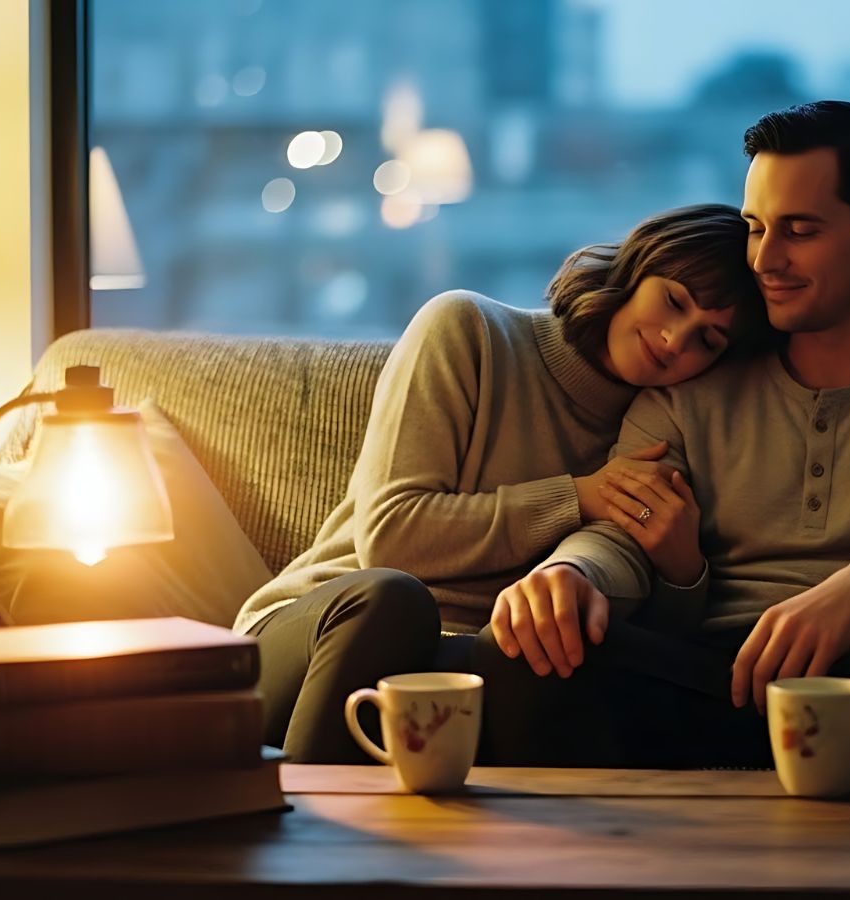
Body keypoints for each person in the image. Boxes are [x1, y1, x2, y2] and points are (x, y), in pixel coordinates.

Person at [473, 101, 850, 770]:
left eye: (800, 230)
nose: (766, 259)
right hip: (703, 681)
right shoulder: (697, 376)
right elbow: (626, 525)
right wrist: (572, 572)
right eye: (755, 228)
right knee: (527, 645)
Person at [231, 203, 774, 763]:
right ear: (636, 268)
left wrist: (684, 575)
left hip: (469, 663)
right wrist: (577, 496)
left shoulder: (661, 426)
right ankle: (298, 832)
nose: (673, 338)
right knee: (394, 600)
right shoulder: (468, 329)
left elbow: (629, 621)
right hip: (324, 633)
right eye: (674, 300)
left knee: (547, 655)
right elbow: (391, 539)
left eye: (707, 340)